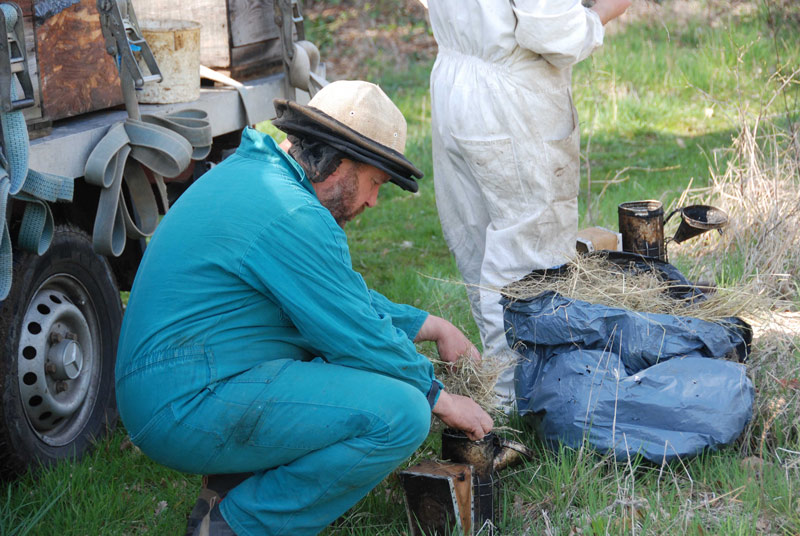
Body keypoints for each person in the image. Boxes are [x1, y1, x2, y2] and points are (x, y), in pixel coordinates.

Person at [115, 80, 493, 536]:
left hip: (174, 383)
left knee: (329, 361)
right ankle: (237, 526)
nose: (374, 201)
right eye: (375, 183)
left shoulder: (262, 180)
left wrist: (432, 326)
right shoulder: (292, 215)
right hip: (181, 402)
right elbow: (355, 335)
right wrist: (442, 398)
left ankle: (230, 489)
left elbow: (335, 298)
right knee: (402, 415)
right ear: (340, 162)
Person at [428, 0, 632, 407]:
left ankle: (499, 387)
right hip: (512, 93)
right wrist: (602, 14)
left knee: (479, 240)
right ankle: (520, 402)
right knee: (526, 259)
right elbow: (550, 29)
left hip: (455, 79)